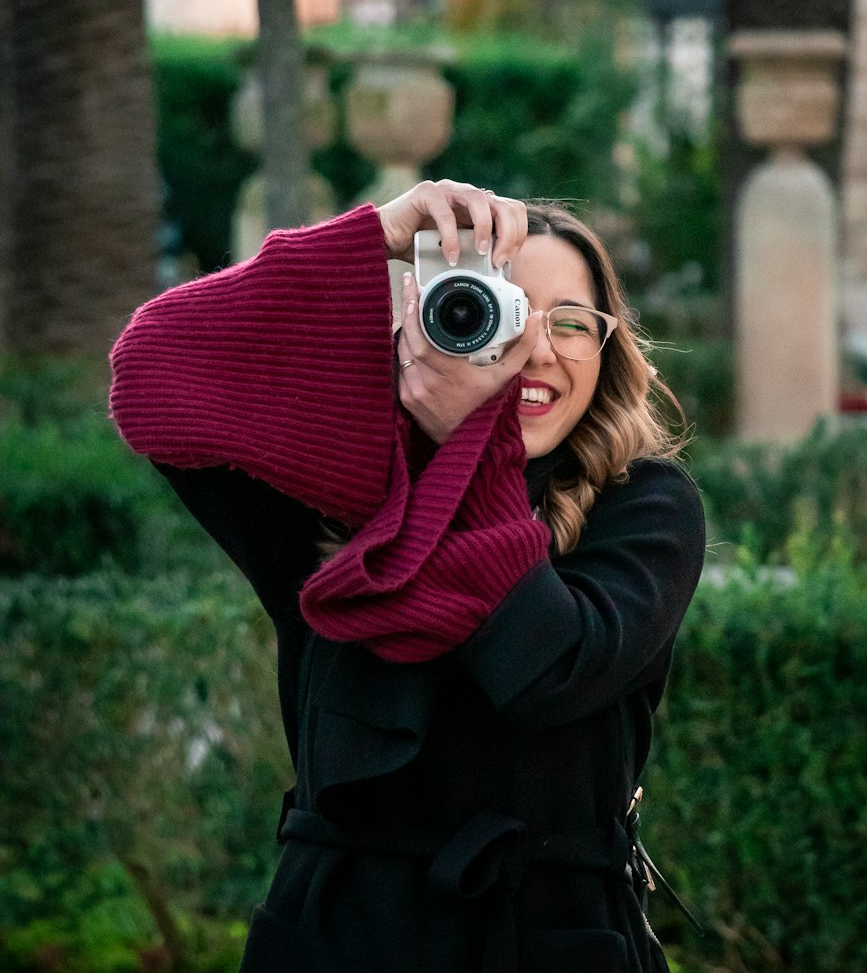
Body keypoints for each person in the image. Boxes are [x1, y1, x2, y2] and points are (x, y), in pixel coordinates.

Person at [109, 179, 705, 973]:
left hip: (554, 939)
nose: (535, 347)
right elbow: (152, 370)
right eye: (502, 308)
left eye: (572, 323)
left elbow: (547, 666)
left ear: (608, 350)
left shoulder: (644, 505)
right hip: (338, 935)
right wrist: (366, 240)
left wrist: (469, 444)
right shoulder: (339, 493)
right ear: (425, 318)